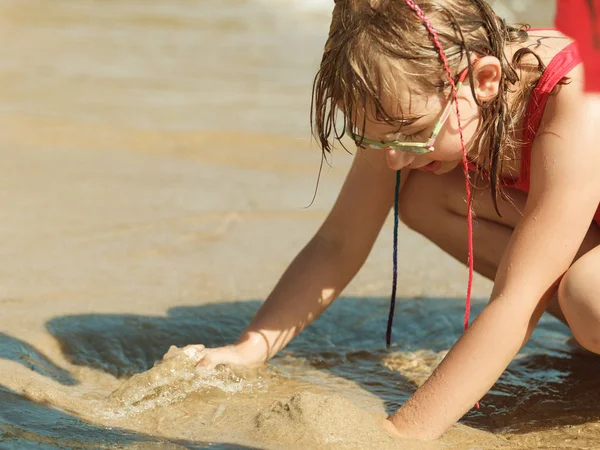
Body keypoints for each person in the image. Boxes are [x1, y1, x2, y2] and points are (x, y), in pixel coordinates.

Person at [163, 0, 600, 440]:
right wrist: (250, 348)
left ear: (484, 79)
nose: (392, 157)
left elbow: (514, 301)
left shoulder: (579, 103)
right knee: (424, 196)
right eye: (376, 138)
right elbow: (339, 241)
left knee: (588, 298)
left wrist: (399, 435)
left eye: (411, 134)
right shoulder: (409, 86)